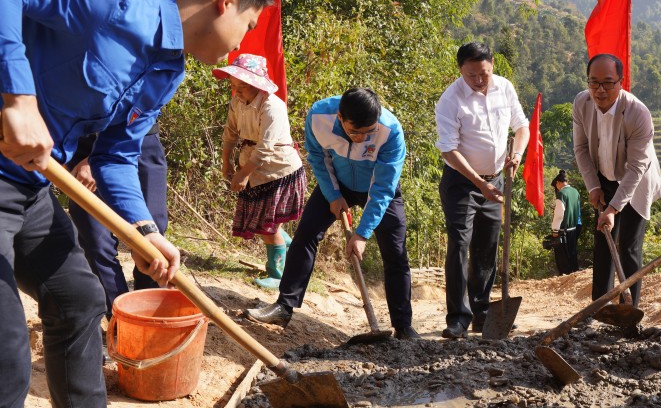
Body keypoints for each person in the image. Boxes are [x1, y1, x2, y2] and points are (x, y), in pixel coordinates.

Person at [0, 0, 273, 408]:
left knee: (79, 298)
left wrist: (146, 233)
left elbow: (116, 156)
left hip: (29, 185)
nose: (241, 45)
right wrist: (17, 99)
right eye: (249, 27)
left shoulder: (167, 71)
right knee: (7, 347)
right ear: (227, 0)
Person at [19, 0, 166, 332]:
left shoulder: (118, 10)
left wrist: (92, 159)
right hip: (63, 156)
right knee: (95, 242)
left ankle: (147, 321)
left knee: (149, 234)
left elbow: (113, 95)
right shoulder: (43, 9)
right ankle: (118, 319)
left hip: (130, 145)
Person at [246, 88, 419, 339]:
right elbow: (317, 157)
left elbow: (383, 189)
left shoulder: (391, 131)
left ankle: (403, 326)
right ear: (340, 117)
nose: (360, 139)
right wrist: (334, 195)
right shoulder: (319, 116)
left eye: (368, 132)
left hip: (377, 187)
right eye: (354, 132)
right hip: (337, 183)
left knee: (395, 251)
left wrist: (361, 234)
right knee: (306, 234)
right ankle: (284, 306)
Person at [435, 42, 529, 339]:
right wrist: (479, 183)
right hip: (463, 183)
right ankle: (458, 318)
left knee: (487, 247)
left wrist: (516, 154)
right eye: (472, 75)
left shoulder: (504, 88)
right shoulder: (450, 100)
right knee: (460, 245)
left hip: (497, 181)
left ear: (492, 67)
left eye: (484, 74)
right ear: (461, 70)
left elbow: (522, 127)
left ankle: (482, 314)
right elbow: (449, 151)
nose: (478, 80)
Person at [573, 54, 661, 306]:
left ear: (620, 82)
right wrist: (593, 186)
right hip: (604, 176)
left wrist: (613, 208)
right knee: (602, 241)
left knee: (629, 246)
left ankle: (629, 308)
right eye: (594, 82)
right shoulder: (582, 102)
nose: (600, 90)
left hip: (637, 180)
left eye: (608, 83)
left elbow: (636, 167)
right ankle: (599, 307)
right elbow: (580, 148)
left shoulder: (637, 113)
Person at [217, 53, 306, 289]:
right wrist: (226, 161)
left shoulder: (272, 106)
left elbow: (266, 148)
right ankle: (284, 243)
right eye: (234, 86)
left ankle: (277, 275)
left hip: (278, 170)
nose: (237, 92)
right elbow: (231, 133)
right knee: (264, 221)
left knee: (267, 225)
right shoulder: (237, 103)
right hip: (254, 167)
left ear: (257, 85)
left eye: (243, 87)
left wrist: (243, 173)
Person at [549, 169, 581, 275]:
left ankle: (565, 275)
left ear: (558, 183)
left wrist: (555, 230)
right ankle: (574, 272)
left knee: (563, 257)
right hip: (574, 228)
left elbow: (559, 214)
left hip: (563, 230)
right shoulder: (575, 191)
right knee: (572, 253)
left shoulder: (562, 194)